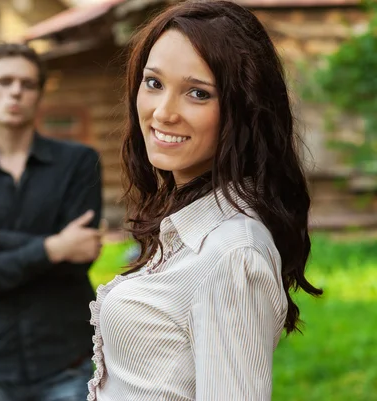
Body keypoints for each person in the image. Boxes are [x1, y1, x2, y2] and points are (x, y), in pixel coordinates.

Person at [87, 2, 323, 400]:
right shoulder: (189, 225)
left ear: (243, 109)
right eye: (154, 83)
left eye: (197, 93)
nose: (163, 113)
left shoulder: (231, 253)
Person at [0, 43, 103, 401]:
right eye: (4, 81)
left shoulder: (79, 164)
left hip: (68, 361)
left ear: (40, 95)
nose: (16, 91)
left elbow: (80, 260)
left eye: (28, 84)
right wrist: (55, 246)